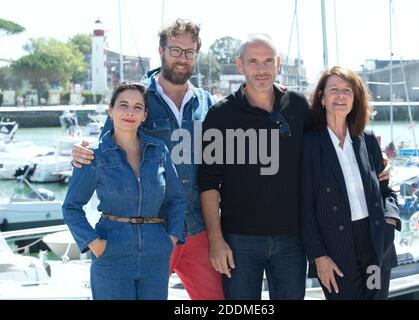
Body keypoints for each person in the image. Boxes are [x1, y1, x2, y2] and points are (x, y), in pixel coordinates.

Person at [71, 19, 224, 300]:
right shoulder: (137, 97)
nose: (182, 58)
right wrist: (80, 152)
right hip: (150, 233)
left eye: (189, 52)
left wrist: (275, 96)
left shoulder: (206, 102)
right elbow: (107, 147)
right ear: (161, 51)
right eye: (175, 50)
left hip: (197, 229)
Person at [198, 34, 312, 300]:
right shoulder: (221, 115)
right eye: (253, 61)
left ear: (278, 63)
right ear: (240, 65)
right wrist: (216, 240)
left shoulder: (297, 106)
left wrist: (378, 158)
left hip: (292, 239)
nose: (261, 69)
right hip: (238, 240)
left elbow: (324, 150)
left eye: (268, 61)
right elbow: (208, 181)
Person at [63, 82, 185, 299]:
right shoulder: (94, 156)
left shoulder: (159, 150)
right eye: (123, 105)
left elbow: (176, 199)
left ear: (144, 115)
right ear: (110, 111)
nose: (130, 112)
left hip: (155, 252)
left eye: (138, 107)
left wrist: (172, 238)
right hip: (111, 252)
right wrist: (94, 244)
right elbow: (71, 207)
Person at [300, 66, 401, 300]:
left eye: (347, 90)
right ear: (322, 98)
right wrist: (318, 256)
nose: (341, 95)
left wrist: (390, 220)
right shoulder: (309, 145)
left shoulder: (367, 140)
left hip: (376, 246)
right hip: (335, 249)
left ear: (355, 100)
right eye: (334, 89)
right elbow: (304, 206)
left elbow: (386, 189)